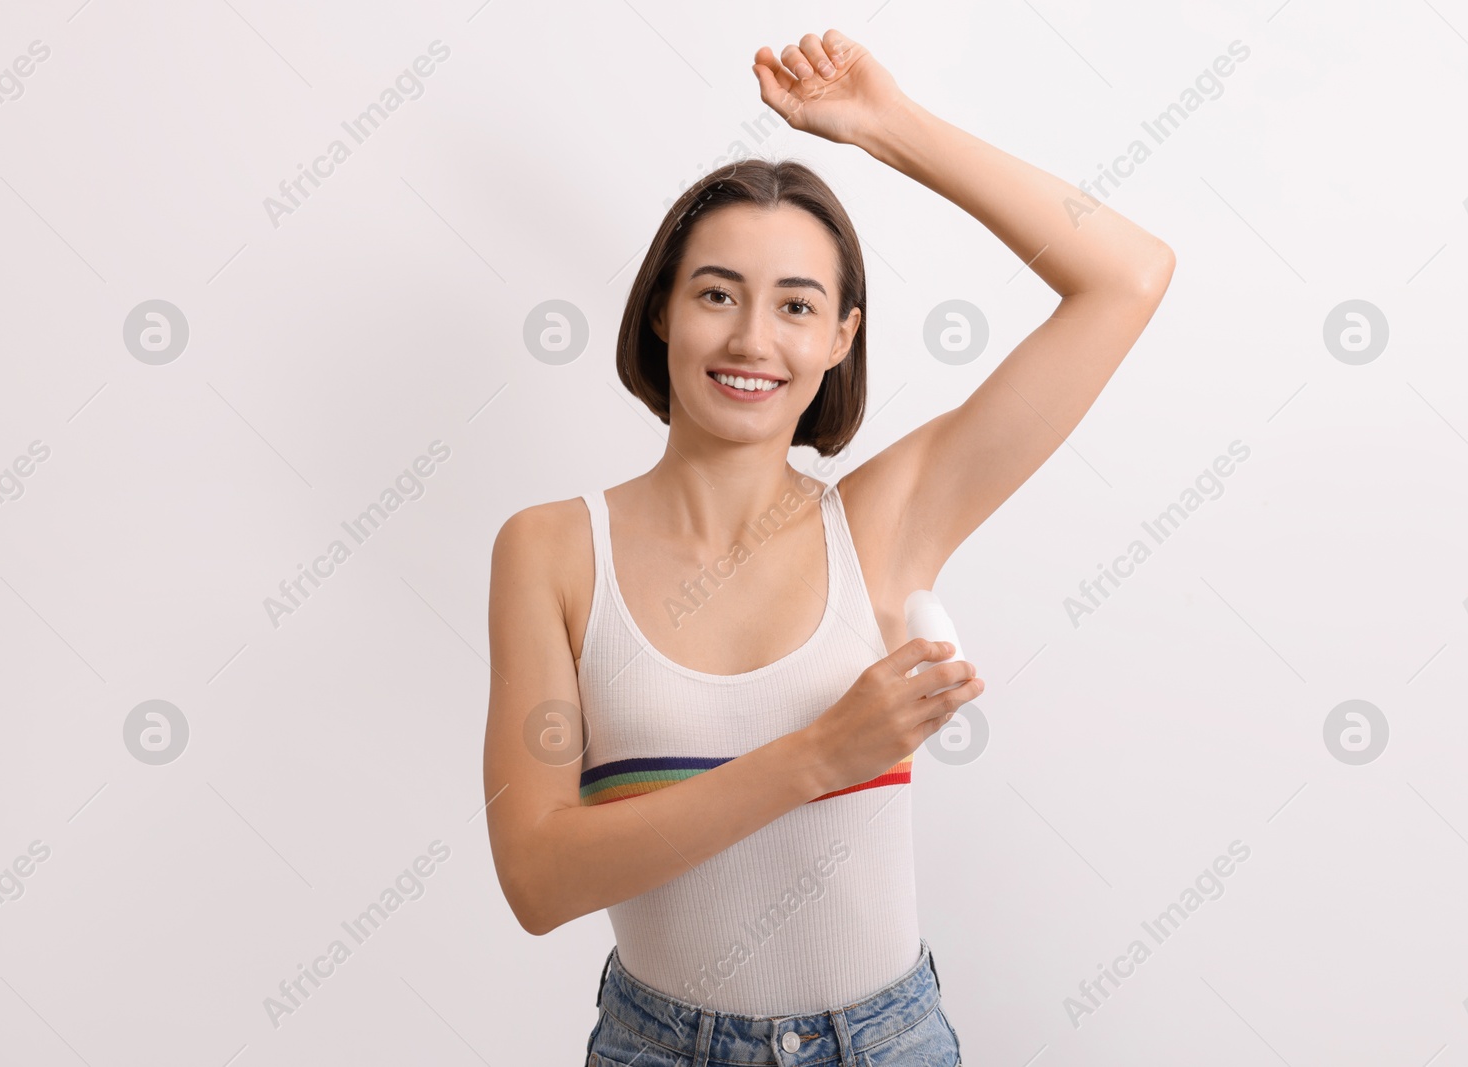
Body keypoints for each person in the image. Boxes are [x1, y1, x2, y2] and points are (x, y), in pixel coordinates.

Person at [484, 27, 1173, 1066]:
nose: (753, 339)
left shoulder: (887, 523)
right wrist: (816, 756)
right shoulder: (551, 549)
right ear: (663, 310)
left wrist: (887, 128)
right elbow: (538, 879)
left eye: (796, 305)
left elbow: (1126, 275)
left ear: (841, 338)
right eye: (716, 292)